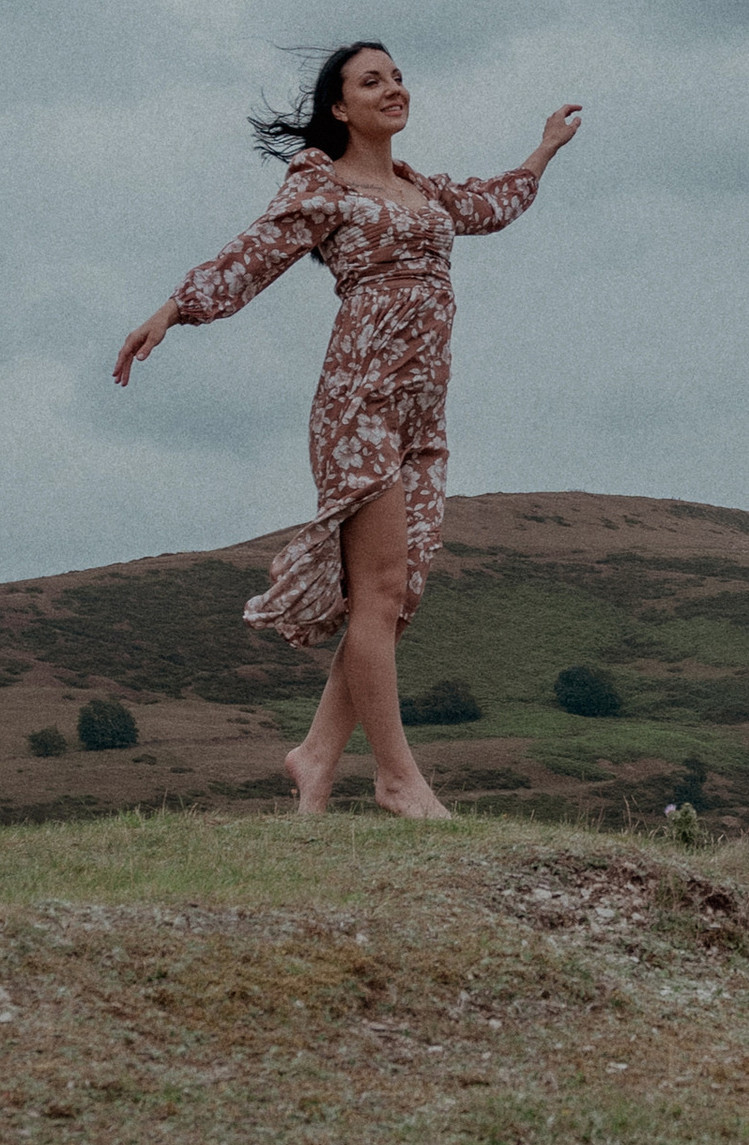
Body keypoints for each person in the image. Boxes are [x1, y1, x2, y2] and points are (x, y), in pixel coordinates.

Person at [115, 44, 580, 819]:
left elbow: (489, 205)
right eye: (372, 82)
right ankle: (397, 778)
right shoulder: (322, 185)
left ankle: (316, 756)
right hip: (358, 403)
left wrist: (543, 149)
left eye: (397, 77)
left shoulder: (421, 188)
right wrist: (174, 309)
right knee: (380, 592)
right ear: (340, 108)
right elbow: (251, 255)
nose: (394, 88)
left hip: (421, 415)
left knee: (392, 598)